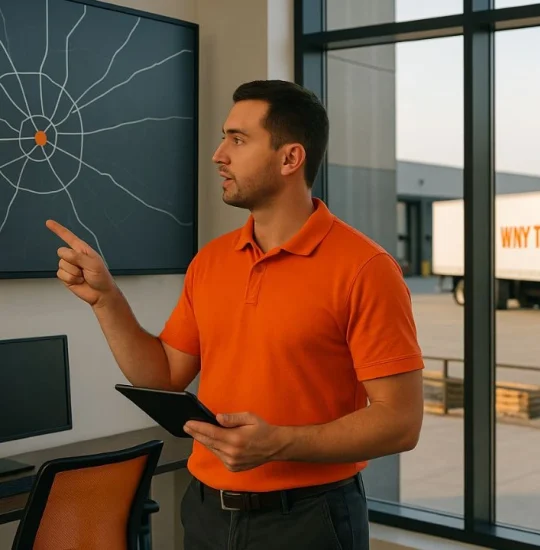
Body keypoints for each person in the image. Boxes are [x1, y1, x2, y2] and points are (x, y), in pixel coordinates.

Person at [46, 79, 425, 549]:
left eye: (238, 139)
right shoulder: (211, 260)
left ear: (290, 158)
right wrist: (106, 300)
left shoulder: (366, 269)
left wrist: (279, 442)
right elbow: (164, 375)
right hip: (206, 512)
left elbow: (401, 422)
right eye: (225, 137)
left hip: (310, 519)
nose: (218, 154)